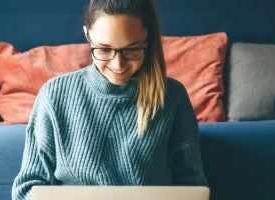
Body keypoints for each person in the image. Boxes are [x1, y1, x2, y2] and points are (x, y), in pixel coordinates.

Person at [12, 0, 208, 199]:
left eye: (132, 49)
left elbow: (191, 184)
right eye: (104, 49)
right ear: (88, 35)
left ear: (147, 39)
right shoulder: (54, 95)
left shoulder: (172, 97)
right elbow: (27, 188)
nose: (118, 64)